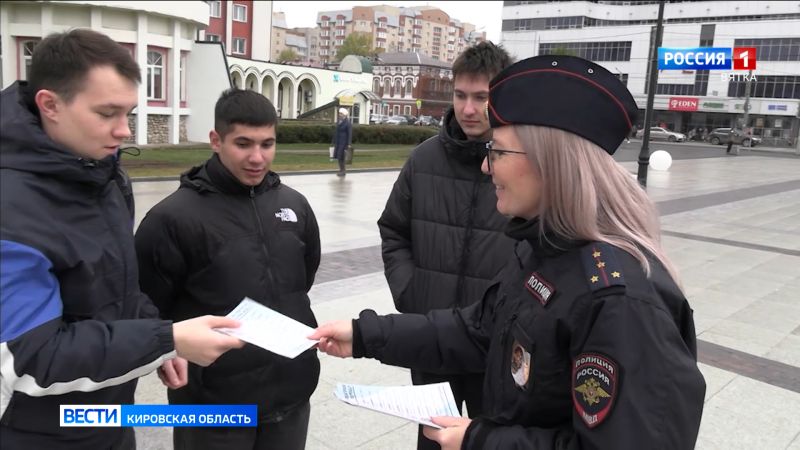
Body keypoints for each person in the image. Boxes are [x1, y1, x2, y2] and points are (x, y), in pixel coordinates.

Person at [310, 55, 706, 450]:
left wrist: (478, 441)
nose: (486, 167)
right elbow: (478, 331)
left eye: (498, 152)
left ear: (550, 164)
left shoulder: (619, 300)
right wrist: (364, 335)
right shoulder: (542, 250)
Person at [0, 29, 244, 450]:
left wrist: (159, 341)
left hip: (109, 417)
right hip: (37, 432)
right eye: (107, 113)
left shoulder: (101, 172)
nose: (124, 130)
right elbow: (31, 359)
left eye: (129, 112)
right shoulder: (10, 208)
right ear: (50, 105)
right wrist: (166, 340)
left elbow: (116, 287)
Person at [135, 88, 321, 450]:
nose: (257, 157)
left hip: (292, 392)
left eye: (267, 144)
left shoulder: (294, 205)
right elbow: (147, 305)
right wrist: (167, 352)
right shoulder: (172, 218)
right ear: (216, 140)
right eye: (244, 144)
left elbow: (304, 278)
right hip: (212, 405)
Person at [376, 40, 515, 450]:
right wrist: (412, 292)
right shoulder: (423, 160)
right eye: (460, 96)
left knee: (491, 442)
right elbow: (393, 230)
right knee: (434, 441)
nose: (468, 109)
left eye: (481, 97)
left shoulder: (524, 163)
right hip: (432, 338)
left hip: (497, 348)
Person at [333, 107, 352, 177]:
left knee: (342, 157)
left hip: (344, 143)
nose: (339, 115)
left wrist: (349, 143)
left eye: (341, 114)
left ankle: (343, 171)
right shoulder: (339, 122)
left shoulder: (347, 123)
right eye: (339, 113)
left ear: (344, 114)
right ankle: (341, 170)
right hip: (338, 142)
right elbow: (336, 132)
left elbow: (350, 133)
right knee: (338, 157)